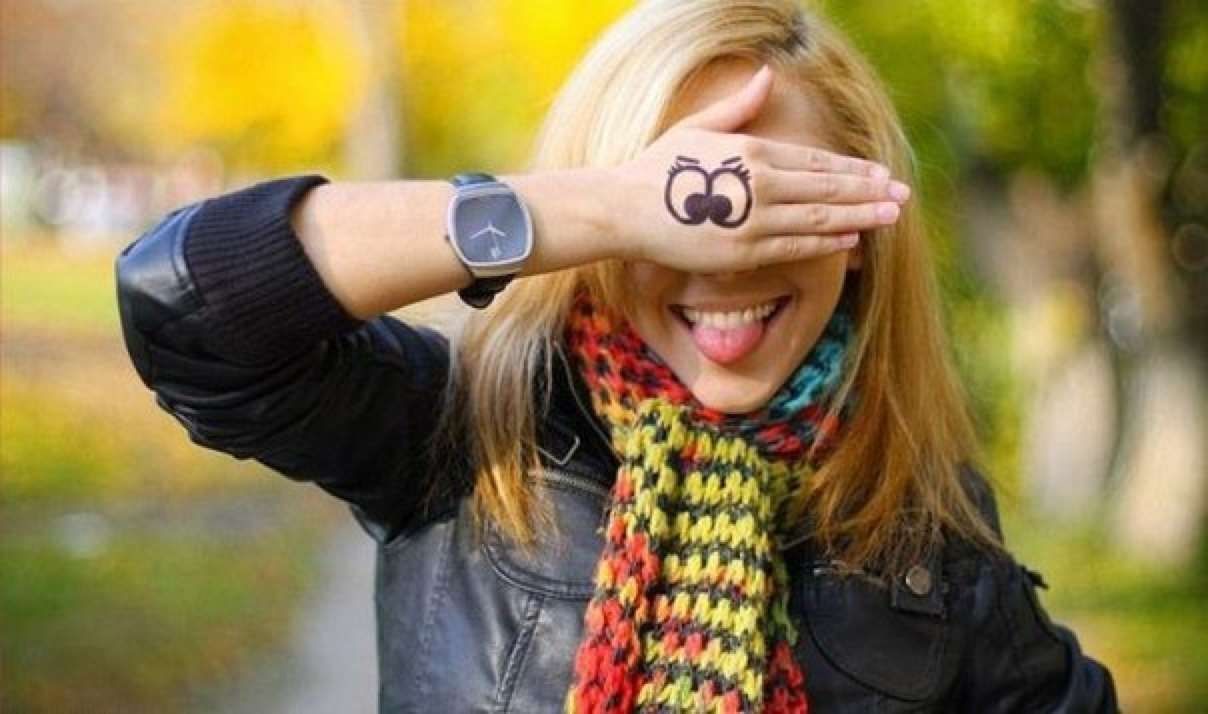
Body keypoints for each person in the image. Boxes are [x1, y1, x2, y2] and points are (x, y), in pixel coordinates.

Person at [115, 1, 1119, 711]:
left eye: (774, 203)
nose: (723, 259)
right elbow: (185, 308)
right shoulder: (474, 430)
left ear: (857, 227)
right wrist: (601, 209)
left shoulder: (918, 521)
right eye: (685, 206)